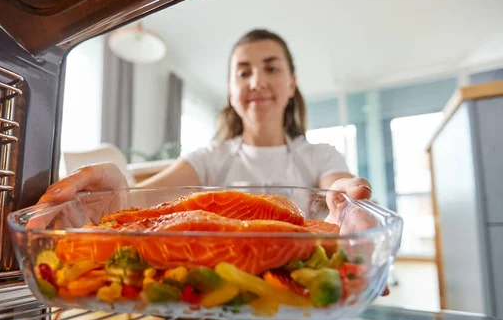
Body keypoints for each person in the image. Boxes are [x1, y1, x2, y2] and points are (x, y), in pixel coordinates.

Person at [38, 29, 372, 206]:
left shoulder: (321, 155)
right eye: (243, 73)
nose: (257, 82)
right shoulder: (210, 158)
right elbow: (136, 197)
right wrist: (116, 190)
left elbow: (338, 187)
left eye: (271, 68)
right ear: (230, 91)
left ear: (291, 84)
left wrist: (348, 194)